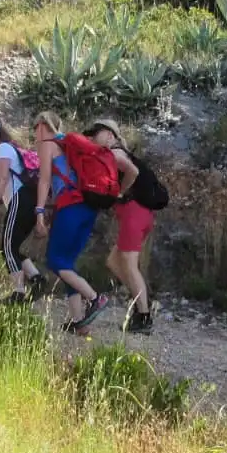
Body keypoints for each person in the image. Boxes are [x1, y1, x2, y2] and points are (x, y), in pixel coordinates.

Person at [32, 111, 134, 332]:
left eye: (35, 128)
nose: (34, 133)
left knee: (55, 261)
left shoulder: (47, 145)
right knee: (67, 263)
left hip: (71, 208)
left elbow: (45, 181)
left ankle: (95, 298)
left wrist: (39, 212)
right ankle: (79, 322)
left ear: (42, 125)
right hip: (88, 208)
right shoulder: (72, 147)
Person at [85, 119, 155, 333]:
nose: (92, 138)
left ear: (109, 134)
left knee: (128, 264)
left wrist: (119, 192)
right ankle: (141, 299)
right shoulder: (115, 154)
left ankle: (143, 317)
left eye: (95, 134)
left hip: (134, 213)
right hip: (138, 215)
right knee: (114, 262)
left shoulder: (115, 153)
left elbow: (132, 172)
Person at [0, 117, 43, 305]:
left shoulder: (2, 148)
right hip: (26, 200)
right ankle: (37, 280)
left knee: (7, 246)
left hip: (19, 199)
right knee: (12, 246)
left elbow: (3, 179)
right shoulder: (7, 148)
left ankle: (19, 292)